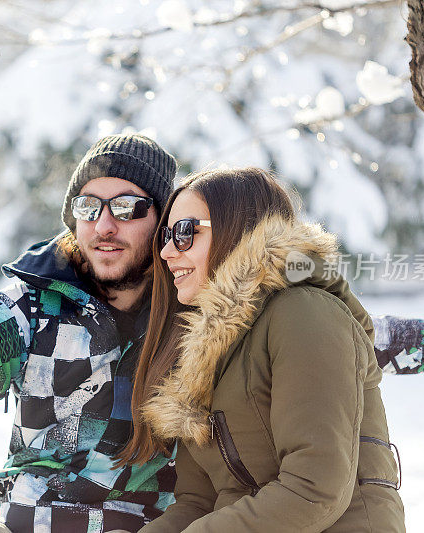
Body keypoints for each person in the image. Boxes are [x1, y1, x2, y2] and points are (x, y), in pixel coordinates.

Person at [0, 134, 424, 533]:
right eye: (88, 207)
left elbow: (358, 340)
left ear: (160, 217)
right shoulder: (33, 313)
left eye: (128, 206)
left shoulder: (202, 321)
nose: (104, 223)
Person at [119, 167, 404, 532]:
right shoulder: (203, 351)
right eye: (166, 236)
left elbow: (315, 489)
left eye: (185, 233)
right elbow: (198, 501)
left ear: (238, 229)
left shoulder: (305, 313)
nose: (166, 251)